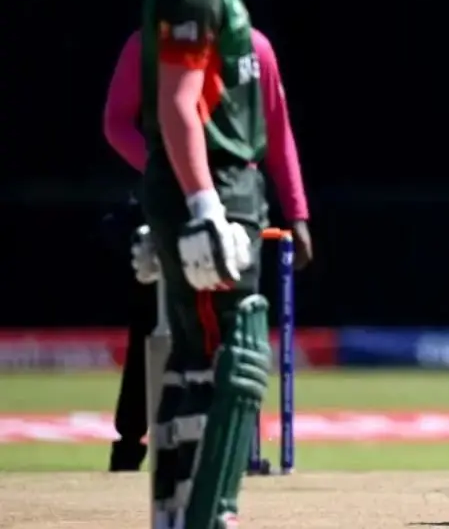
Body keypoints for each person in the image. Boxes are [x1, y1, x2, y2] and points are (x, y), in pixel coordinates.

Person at [138, 0, 295, 528]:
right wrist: (199, 206)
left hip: (226, 196)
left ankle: (180, 514)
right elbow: (175, 105)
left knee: (205, 361)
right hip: (216, 198)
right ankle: (204, 517)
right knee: (224, 362)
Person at [102, 26, 312, 472]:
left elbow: (276, 128)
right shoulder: (150, 42)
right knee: (155, 325)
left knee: (233, 325)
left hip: (239, 201)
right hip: (170, 203)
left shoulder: (257, 46)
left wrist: (297, 211)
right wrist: (170, 174)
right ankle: (130, 451)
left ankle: (230, 452)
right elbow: (118, 123)